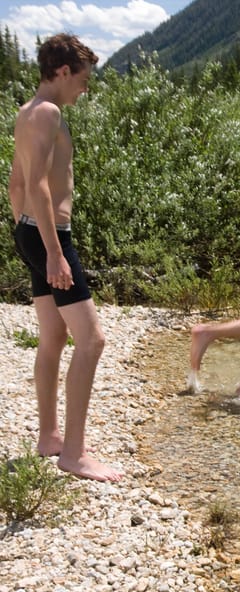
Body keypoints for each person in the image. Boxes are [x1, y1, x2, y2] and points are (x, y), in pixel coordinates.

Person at [8, 34, 123, 481]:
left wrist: (22, 231)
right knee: (92, 341)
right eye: (83, 78)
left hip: (33, 233)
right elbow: (36, 184)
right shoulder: (49, 112)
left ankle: (49, 436)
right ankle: (73, 454)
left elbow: (16, 183)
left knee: (53, 337)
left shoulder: (27, 112)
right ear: (62, 72)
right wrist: (53, 251)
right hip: (49, 236)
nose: (85, 88)